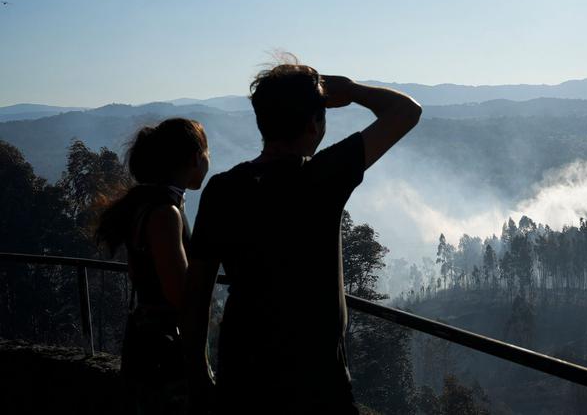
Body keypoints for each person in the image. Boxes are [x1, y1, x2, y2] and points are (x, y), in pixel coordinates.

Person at [182, 56, 421, 413]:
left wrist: (198, 371)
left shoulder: (221, 189)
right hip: (314, 374)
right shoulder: (322, 176)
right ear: (313, 123)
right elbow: (406, 111)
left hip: (242, 366)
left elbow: (197, 291)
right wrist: (352, 90)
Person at [95, 118, 210, 414]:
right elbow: (179, 295)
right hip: (165, 353)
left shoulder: (147, 205)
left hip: (147, 345)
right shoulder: (165, 213)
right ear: (196, 157)